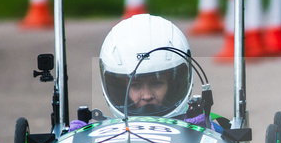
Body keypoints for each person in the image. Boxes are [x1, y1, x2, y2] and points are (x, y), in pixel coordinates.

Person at [93, 13, 223, 132]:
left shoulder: (208, 131)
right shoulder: (95, 136)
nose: (147, 96)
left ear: (173, 84)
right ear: (121, 89)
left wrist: (208, 133)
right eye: (136, 85)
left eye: (156, 83)